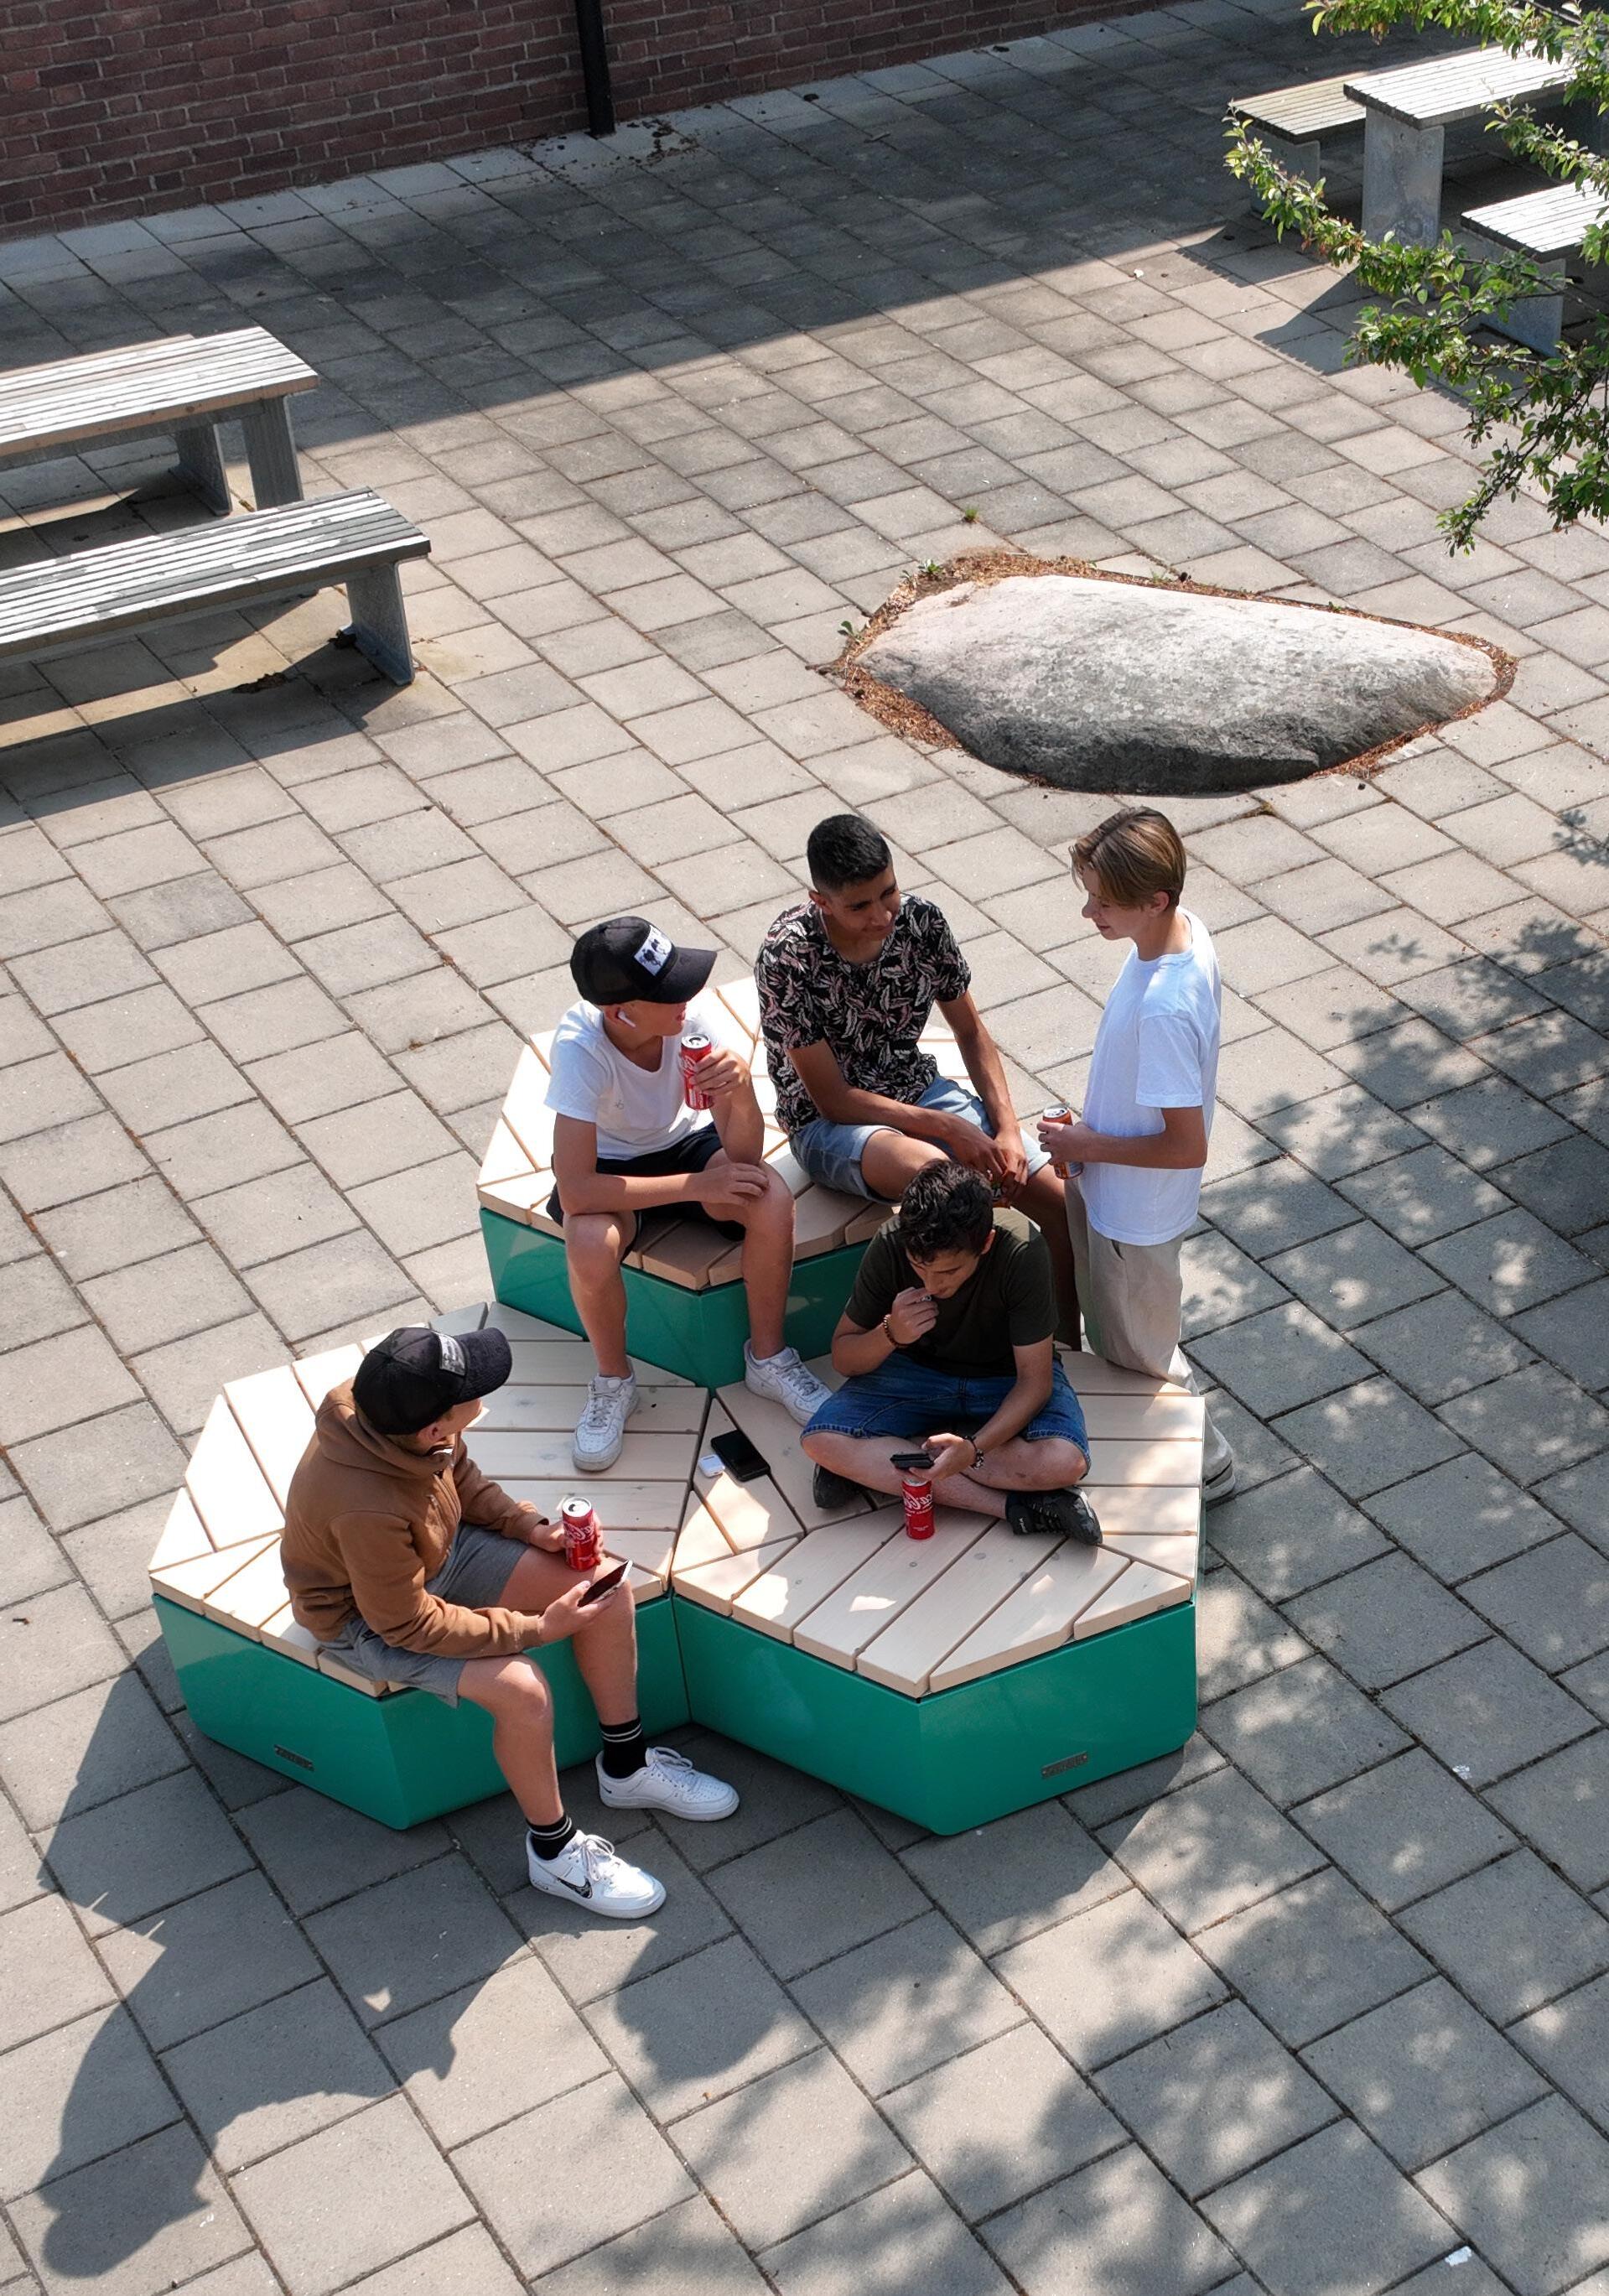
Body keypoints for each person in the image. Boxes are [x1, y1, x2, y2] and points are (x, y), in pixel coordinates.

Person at [280, 1324, 740, 1916]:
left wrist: (530, 1527)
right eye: (472, 1390)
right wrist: (537, 1630)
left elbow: (457, 1476)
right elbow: (406, 1625)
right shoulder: (365, 1508)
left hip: (432, 1554)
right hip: (365, 1617)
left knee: (605, 1588)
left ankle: (626, 1768)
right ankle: (554, 1854)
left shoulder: (386, 1405)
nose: (483, 1390)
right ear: (433, 1427)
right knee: (522, 1689)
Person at [755, 813, 1080, 1332]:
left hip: (918, 1090)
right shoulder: (786, 957)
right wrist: (949, 1127)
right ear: (821, 902)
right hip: (828, 1124)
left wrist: (1005, 1128)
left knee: (1063, 1205)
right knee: (946, 1184)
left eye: (888, 892)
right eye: (859, 906)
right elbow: (833, 1099)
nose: (882, 915)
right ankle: (974, 1343)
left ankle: (1062, 1350)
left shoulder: (923, 923)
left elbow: (970, 1031)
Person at [545, 916, 830, 1471]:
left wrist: (741, 1089)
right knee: (588, 1241)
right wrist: (697, 1186)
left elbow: (743, 1155)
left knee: (769, 1196)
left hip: (685, 1144)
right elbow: (576, 1190)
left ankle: (768, 1359)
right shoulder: (580, 1049)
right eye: (669, 991)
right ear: (620, 1012)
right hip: (609, 1167)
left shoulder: (688, 1022)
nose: (686, 998)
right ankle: (613, 1382)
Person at [1035, 806, 1235, 1504]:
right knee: (1126, 1342)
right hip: (1114, 1192)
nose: (1088, 912)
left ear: (1155, 899)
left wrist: (1085, 1142)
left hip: (1133, 1216)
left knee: (1143, 1359)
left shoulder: (1164, 1008)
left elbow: (1185, 1146)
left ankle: (1207, 1466)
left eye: (1104, 902)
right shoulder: (1181, 934)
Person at [801, 1162, 1100, 1539]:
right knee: (820, 1440)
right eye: (919, 1267)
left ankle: (892, 1456)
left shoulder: (1021, 1249)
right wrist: (891, 1333)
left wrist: (973, 1449)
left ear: (986, 1243)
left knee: (1065, 1463)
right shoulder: (892, 1240)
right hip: (915, 1373)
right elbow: (844, 1357)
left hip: (1003, 1376)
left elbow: (1034, 1382)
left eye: (949, 1272)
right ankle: (1010, 1507)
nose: (932, 1285)